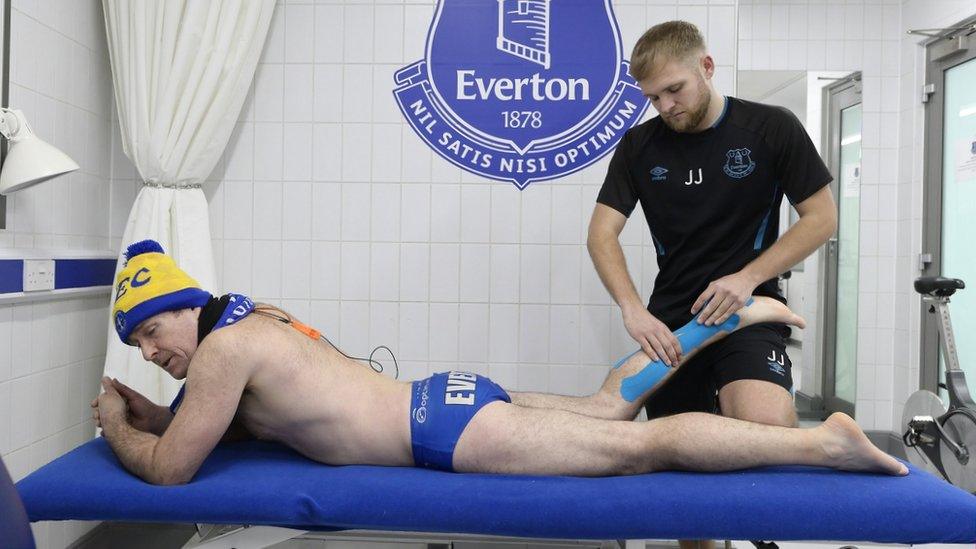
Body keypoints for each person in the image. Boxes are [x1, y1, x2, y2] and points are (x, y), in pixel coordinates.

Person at [91, 240, 905, 486]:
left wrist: (117, 427)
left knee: (638, 446)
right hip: (444, 395)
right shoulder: (248, 318)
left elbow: (169, 467)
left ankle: (819, 443)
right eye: (139, 348)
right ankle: (739, 317)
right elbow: (204, 424)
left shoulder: (223, 352)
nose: (155, 353)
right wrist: (152, 410)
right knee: (605, 404)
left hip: (442, 430)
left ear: (178, 305)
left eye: (151, 332)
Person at [588, 21, 839, 549]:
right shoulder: (639, 146)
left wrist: (748, 277)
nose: (665, 107)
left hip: (748, 310)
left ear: (706, 66)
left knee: (767, 425)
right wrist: (633, 309)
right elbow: (601, 234)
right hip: (672, 326)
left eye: (673, 90)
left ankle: (760, 529)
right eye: (652, 97)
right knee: (687, 484)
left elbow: (821, 217)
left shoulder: (771, 129)